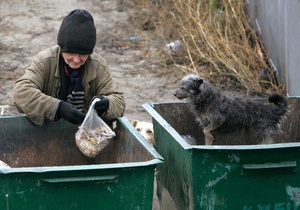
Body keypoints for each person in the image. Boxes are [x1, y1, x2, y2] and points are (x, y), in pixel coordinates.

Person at [13, 9, 126, 126]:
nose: (76, 60)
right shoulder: (45, 61)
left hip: (86, 133)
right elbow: (21, 92)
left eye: (83, 54)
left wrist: (107, 104)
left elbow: (119, 101)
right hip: (48, 129)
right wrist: (58, 107)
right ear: (62, 49)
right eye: (71, 53)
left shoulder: (98, 65)